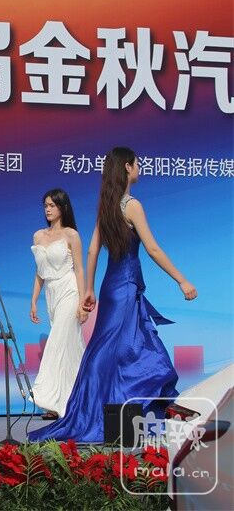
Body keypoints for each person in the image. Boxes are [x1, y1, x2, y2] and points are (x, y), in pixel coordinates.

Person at [30, 147, 197, 442]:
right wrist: (181, 280)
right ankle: (119, 409)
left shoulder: (107, 207)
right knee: (131, 347)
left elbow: (93, 251)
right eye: (137, 164)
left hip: (110, 287)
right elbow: (152, 248)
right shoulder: (132, 205)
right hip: (127, 285)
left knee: (110, 348)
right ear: (127, 168)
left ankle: (104, 408)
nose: (139, 168)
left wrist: (90, 289)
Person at [28, 188, 86, 420]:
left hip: (69, 290)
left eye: (52, 205)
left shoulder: (72, 235)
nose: (48, 209)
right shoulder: (38, 236)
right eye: (46, 205)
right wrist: (33, 300)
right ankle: (74, 399)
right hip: (51, 293)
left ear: (63, 207)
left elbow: (79, 269)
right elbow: (39, 272)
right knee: (70, 347)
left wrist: (83, 302)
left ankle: (49, 398)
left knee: (57, 344)